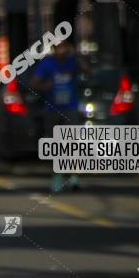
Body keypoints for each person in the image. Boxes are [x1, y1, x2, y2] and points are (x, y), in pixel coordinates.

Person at [31, 41, 80, 193]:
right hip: (52, 109)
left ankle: (73, 177)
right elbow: (34, 82)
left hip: (70, 108)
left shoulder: (73, 63)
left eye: (64, 47)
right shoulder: (47, 65)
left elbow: (89, 71)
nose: (61, 51)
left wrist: (77, 57)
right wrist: (45, 86)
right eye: (58, 48)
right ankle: (57, 176)